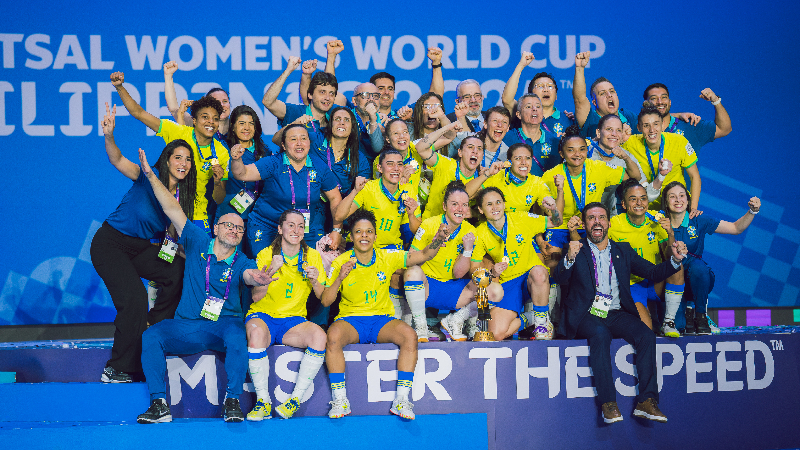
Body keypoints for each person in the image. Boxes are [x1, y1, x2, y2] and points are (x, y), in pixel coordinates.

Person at [135, 149, 277, 424]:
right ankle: (159, 404)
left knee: (238, 336)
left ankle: (232, 401)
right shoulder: (198, 241)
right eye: (229, 226)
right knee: (151, 336)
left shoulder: (243, 259)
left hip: (223, 324)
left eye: (239, 229)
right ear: (216, 228)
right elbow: (171, 208)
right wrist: (152, 176)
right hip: (187, 324)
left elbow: (248, 274)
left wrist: (255, 278)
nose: (235, 231)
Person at [555, 202, 687, 424]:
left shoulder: (622, 250)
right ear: (585, 224)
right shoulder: (577, 249)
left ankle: (647, 401)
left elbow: (652, 271)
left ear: (608, 222)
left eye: (601, 217)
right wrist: (569, 258)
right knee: (600, 333)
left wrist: (674, 260)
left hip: (615, 312)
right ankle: (609, 404)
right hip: (586, 315)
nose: (597, 221)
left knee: (646, 335)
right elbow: (560, 278)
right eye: (591, 218)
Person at [91, 104, 196, 383]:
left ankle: (154, 331)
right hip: (110, 244)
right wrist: (109, 135)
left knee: (176, 270)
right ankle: (118, 368)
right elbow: (116, 160)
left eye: (188, 159)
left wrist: (194, 258)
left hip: (140, 248)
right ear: (167, 159)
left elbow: (173, 239)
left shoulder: (181, 199)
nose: (183, 163)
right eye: (178, 157)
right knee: (135, 300)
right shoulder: (148, 175)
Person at [321, 209, 449, 420]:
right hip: (351, 320)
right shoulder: (340, 262)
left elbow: (424, 255)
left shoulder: (387, 256)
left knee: (410, 335)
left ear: (375, 236)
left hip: (381, 320)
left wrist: (438, 239)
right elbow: (326, 301)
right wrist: (340, 277)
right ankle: (340, 399)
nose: (364, 236)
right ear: (351, 236)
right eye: (359, 232)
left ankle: (402, 400)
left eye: (369, 231)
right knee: (333, 337)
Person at [110, 71, 229, 237]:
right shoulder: (178, 132)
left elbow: (220, 198)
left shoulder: (222, 152)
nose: (211, 122)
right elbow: (139, 113)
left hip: (195, 218)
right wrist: (120, 87)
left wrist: (217, 182)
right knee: (161, 261)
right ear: (194, 120)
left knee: (199, 262)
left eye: (215, 119)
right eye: (205, 117)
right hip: (165, 214)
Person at [245, 210, 328, 420]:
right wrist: (271, 270)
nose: (296, 230)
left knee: (319, 336)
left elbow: (324, 298)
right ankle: (263, 402)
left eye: (300, 226)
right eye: (291, 225)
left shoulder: (313, 257)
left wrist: (315, 280)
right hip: (263, 316)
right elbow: (255, 297)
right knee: (255, 335)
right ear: (280, 229)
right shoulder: (265, 254)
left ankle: (295, 400)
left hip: (293, 321)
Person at [334, 150, 422, 328]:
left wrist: (412, 214)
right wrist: (354, 191)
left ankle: (414, 325)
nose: (396, 168)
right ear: (380, 168)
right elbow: (339, 215)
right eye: (390, 164)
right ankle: (396, 321)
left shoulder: (408, 189)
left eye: (399, 164)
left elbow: (416, 230)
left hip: (393, 249)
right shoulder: (369, 188)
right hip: (369, 250)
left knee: (411, 271)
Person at [405, 182, 502, 341]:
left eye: (464, 205)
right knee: (412, 273)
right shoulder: (429, 224)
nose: (460, 209)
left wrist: (467, 249)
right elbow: (410, 259)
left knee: (495, 290)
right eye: (454, 204)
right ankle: (420, 326)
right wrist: (436, 242)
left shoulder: (470, 231)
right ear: (444, 206)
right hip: (428, 287)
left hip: (454, 291)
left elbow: (458, 273)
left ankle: (456, 320)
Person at [661, 182, 761, 335]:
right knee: (680, 326)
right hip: (672, 284)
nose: (678, 200)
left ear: (688, 200)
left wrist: (752, 212)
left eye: (682, 196)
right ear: (666, 202)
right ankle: (687, 314)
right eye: (672, 197)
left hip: (696, 278)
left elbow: (736, 228)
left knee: (700, 268)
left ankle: (701, 316)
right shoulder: (659, 224)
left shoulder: (699, 220)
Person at [229, 124, 343, 257]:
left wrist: (337, 230)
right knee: (267, 269)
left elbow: (335, 198)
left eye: (303, 138)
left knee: (307, 270)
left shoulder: (320, 167)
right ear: (283, 145)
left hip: (303, 227)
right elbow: (242, 173)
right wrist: (236, 160)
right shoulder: (273, 163)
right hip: (268, 225)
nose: (299, 143)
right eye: (293, 139)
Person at [470, 187, 560, 340]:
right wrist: (492, 273)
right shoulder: (480, 233)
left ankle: (541, 323)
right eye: (489, 204)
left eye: (498, 202)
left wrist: (554, 210)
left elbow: (555, 222)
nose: (495, 207)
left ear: (504, 204)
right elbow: (474, 269)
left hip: (531, 278)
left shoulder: (521, 218)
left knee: (539, 272)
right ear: (480, 209)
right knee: (495, 335)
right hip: (508, 284)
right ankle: (531, 317)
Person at [542, 125, 642, 252]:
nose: (577, 154)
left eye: (582, 149)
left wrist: (626, 157)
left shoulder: (599, 168)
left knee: (590, 262)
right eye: (571, 150)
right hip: (559, 228)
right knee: (552, 258)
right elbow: (538, 211)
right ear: (562, 153)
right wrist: (540, 239)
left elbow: (635, 176)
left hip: (589, 226)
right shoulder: (549, 176)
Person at [608, 179, 677, 332]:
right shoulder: (614, 224)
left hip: (655, 281)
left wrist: (670, 234)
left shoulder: (656, 219)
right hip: (632, 285)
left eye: (643, 198)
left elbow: (668, 256)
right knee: (646, 330)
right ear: (624, 205)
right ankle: (650, 316)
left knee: (677, 267)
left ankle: (669, 320)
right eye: (633, 199)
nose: (639, 203)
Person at [622, 104, 702, 211]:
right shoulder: (630, 143)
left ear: (662, 124)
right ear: (639, 128)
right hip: (647, 209)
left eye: (656, 124)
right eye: (646, 125)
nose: (652, 130)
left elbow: (694, 176)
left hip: (677, 207)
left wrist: (693, 208)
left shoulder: (679, 141)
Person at [215, 105, 271, 257]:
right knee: (230, 259)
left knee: (256, 261)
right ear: (232, 127)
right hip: (230, 213)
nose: (246, 127)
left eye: (251, 123)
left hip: (258, 217)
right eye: (241, 123)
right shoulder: (223, 150)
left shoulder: (266, 152)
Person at [589, 114, 661, 217]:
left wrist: (626, 158)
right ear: (598, 133)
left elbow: (639, 180)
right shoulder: (584, 151)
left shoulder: (626, 156)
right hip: (581, 212)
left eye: (618, 130)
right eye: (609, 129)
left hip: (610, 216)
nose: (614, 134)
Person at [264, 56, 341, 151]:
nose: (327, 97)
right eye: (322, 92)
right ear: (310, 95)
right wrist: (288, 70)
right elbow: (268, 102)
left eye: (331, 94)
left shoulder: (336, 117)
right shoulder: (296, 112)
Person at [465, 142, 563, 218]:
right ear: (509, 162)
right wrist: (487, 174)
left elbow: (556, 217)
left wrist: (560, 190)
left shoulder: (536, 183)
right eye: (518, 158)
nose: (524, 162)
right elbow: (465, 195)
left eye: (528, 158)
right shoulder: (498, 177)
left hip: (519, 233)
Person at [644, 83, 732, 153]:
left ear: (670, 102)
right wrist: (678, 114)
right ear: (645, 104)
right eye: (654, 98)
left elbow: (724, 129)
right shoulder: (638, 127)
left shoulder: (690, 125)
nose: (660, 102)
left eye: (664, 97)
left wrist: (716, 101)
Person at [502, 51, 575, 135]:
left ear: (556, 96)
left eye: (550, 86)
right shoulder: (523, 113)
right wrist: (521, 65)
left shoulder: (568, 120)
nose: (546, 89)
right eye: (540, 86)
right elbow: (507, 100)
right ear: (531, 94)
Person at [571, 51, 638, 139]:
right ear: (594, 102)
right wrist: (579, 68)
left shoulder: (629, 116)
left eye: (612, 91)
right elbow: (579, 100)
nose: (609, 95)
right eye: (602, 93)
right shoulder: (589, 119)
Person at [163, 60, 232, 141]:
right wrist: (168, 76)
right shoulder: (197, 124)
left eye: (225, 101)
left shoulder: (238, 126)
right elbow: (173, 108)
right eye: (217, 102)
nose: (222, 105)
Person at [502, 94, 562, 177]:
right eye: (528, 107)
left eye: (538, 106)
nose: (534, 109)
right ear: (519, 115)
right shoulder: (506, 138)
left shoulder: (555, 142)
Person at [317, 106, 371, 197]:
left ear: (352, 128)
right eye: (337, 119)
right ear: (330, 124)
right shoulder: (315, 141)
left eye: (346, 120)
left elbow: (362, 194)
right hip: (313, 203)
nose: (341, 123)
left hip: (342, 205)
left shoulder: (359, 159)